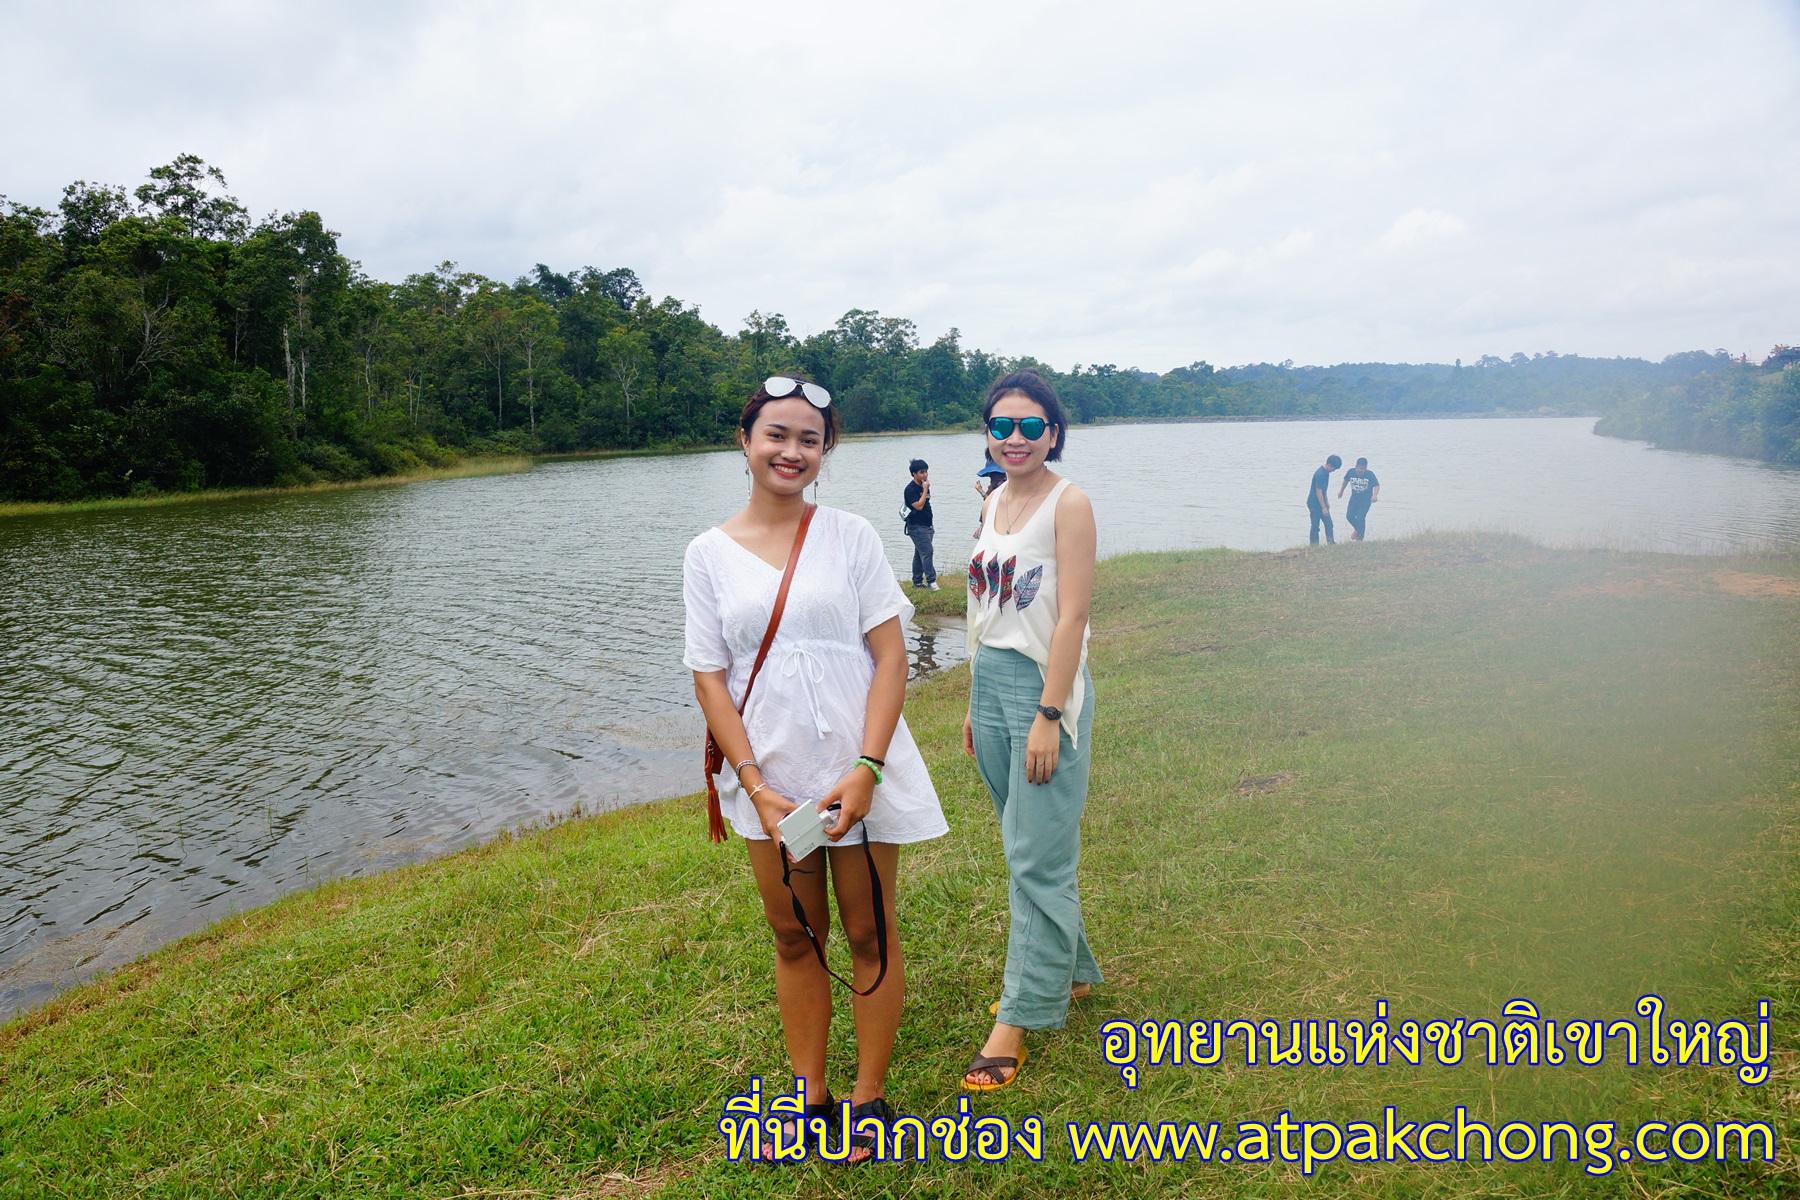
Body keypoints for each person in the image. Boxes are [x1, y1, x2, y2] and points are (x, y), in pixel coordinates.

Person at [683, 375, 947, 1161]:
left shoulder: (852, 536)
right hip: (773, 785)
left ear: (826, 451)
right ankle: (811, 1099)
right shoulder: (707, 554)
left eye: (809, 439)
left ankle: (868, 1099)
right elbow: (708, 676)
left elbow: (891, 654)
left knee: (870, 931)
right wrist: (757, 787)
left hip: (860, 770)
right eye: (776, 435)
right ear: (745, 441)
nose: (791, 451)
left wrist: (867, 767)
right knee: (794, 936)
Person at [960, 368, 1101, 1091]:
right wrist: (973, 702)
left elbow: (1071, 616)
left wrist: (1049, 714)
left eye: (1030, 426)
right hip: (991, 687)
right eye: (1002, 426)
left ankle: (1017, 1015)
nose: (1015, 439)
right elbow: (988, 609)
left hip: (1045, 693)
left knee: (1031, 857)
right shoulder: (993, 499)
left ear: (1053, 431)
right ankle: (1072, 971)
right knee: (1027, 843)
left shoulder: (1068, 503)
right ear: (988, 431)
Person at [903, 458, 938, 590]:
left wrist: (925, 489)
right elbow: (918, 506)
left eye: (926, 472)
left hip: (927, 525)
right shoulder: (910, 489)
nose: (925, 475)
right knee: (928, 551)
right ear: (914, 474)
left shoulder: (924, 486)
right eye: (922, 472)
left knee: (919, 554)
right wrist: (925, 490)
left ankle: (917, 582)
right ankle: (931, 581)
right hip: (916, 527)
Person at [1338, 457, 1381, 541]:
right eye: (1360, 469)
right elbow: (1345, 480)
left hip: (1365, 501)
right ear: (1356, 466)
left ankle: (1360, 538)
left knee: (1360, 518)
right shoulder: (1351, 472)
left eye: (1364, 469)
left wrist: (1375, 495)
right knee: (1349, 516)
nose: (1362, 471)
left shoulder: (1370, 474)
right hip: (1354, 499)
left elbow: (1377, 485)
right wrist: (1341, 491)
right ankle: (1358, 530)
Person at [1307, 454, 1342, 545]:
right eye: (1334, 468)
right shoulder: (1320, 474)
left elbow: (1323, 490)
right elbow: (1318, 492)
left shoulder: (1326, 473)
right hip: (1314, 502)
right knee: (1315, 526)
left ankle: (1331, 543)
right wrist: (1324, 508)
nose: (1334, 471)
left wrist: (1327, 502)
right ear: (1329, 465)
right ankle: (1314, 545)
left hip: (1322, 501)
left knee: (1329, 524)